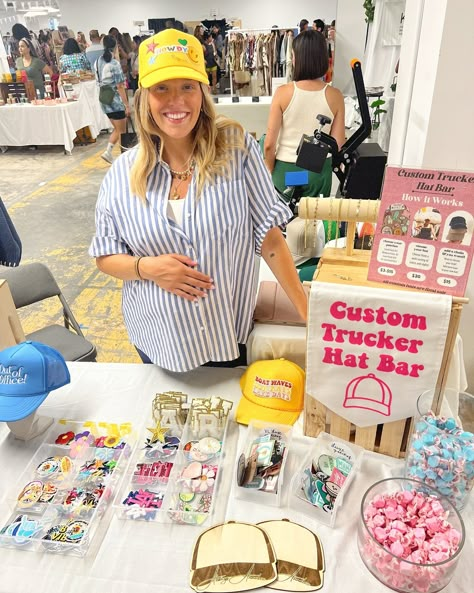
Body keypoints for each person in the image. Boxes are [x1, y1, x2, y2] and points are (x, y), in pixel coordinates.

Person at [89, 28, 307, 372]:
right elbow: (104, 255)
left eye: (187, 87)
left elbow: (272, 241)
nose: (176, 101)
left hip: (224, 337)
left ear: (202, 92)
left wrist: (309, 315)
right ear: (145, 96)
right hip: (156, 339)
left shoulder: (236, 150)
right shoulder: (122, 174)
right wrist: (147, 268)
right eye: (162, 88)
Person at [264, 30, 345, 239]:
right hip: (319, 173)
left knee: (285, 228)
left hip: (288, 171)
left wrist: (268, 171)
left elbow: (269, 144)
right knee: (313, 228)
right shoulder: (335, 96)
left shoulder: (283, 93)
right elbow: (337, 143)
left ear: (296, 58)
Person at [94, 35, 130, 164]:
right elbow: (120, 86)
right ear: (115, 47)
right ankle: (124, 158)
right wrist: (126, 105)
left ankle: (108, 152)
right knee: (122, 131)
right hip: (115, 101)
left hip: (104, 99)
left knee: (117, 128)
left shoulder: (97, 61)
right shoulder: (114, 63)